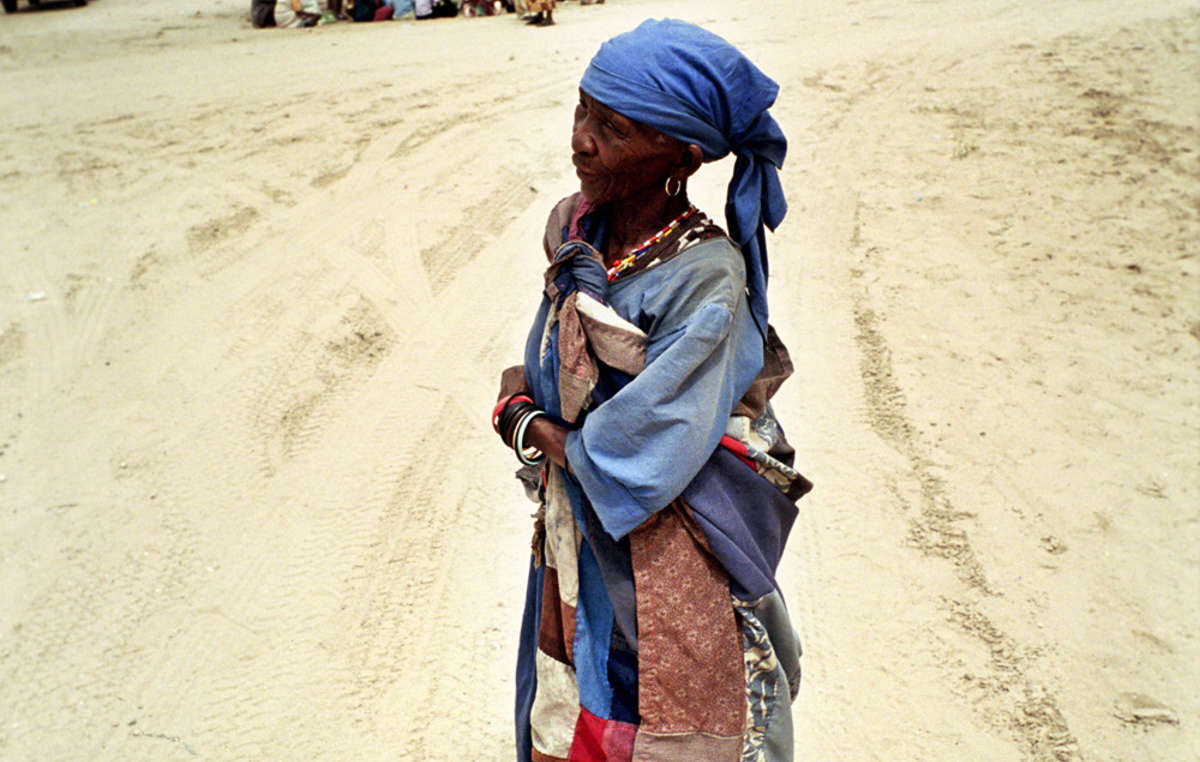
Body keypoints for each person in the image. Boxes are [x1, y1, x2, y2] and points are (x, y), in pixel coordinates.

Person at [493, 18, 812, 762]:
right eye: (582, 111)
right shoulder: (578, 229)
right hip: (579, 537)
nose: (581, 140)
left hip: (661, 556)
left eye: (613, 128)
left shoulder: (706, 278)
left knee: (648, 720)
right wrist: (538, 413)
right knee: (564, 700)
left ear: (683, 155)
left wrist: (524, 422)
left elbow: (644, 452)